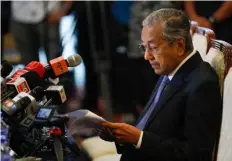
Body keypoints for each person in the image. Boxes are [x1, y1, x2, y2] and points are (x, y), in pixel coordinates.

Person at [99, 8, 222, 161]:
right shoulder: (170, 68)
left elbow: (195, 156)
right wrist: (124, 137)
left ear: (179, 46)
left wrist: (139, 138)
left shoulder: (202, 85)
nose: (146, 56)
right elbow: (153, 127)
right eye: (144, 47)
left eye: (153, 48)